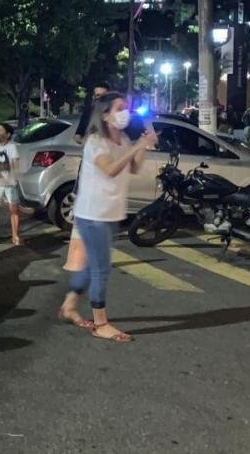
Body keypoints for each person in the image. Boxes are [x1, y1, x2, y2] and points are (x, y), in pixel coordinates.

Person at [58, 92, 157, 342]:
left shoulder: (123, 139)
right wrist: (137, 146)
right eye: (119, 108)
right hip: (93, 215)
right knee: (101, 269)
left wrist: (143, 145)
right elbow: (110, 169)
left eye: (127, 108)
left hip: (111, 213)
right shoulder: (95, 142)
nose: (125, 112)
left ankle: (69, 306)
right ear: (105, 115)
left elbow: (134, 168)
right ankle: (100, 324)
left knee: (91, 265)